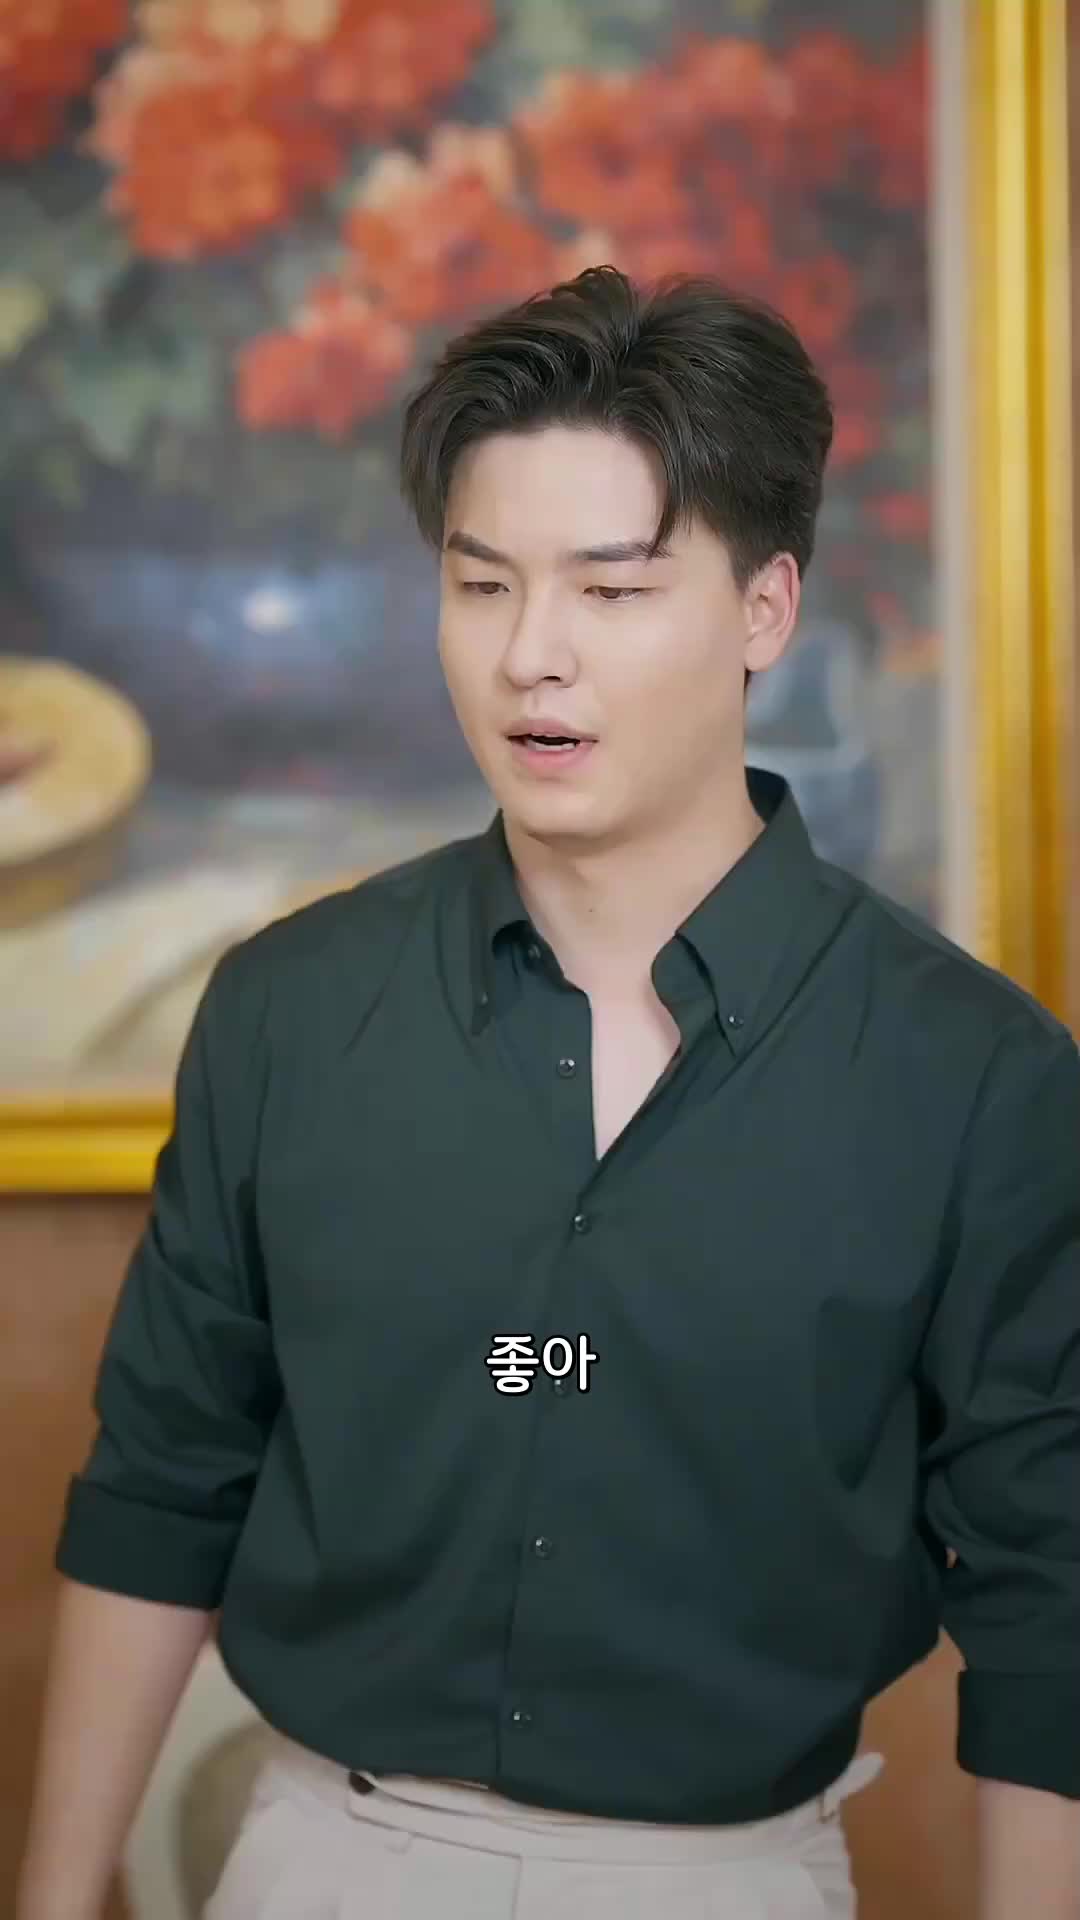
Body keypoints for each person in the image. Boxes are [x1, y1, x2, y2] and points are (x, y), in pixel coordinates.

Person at [17, 267, 1080, 1920]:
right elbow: (164, 1482)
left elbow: (1049, 1605)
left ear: (765, 611)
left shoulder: (976, 1077)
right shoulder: (291, 1010)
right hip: (320, 1862)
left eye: (612, 589)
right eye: (481, 584)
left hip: (727, 1882)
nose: (531, 657)